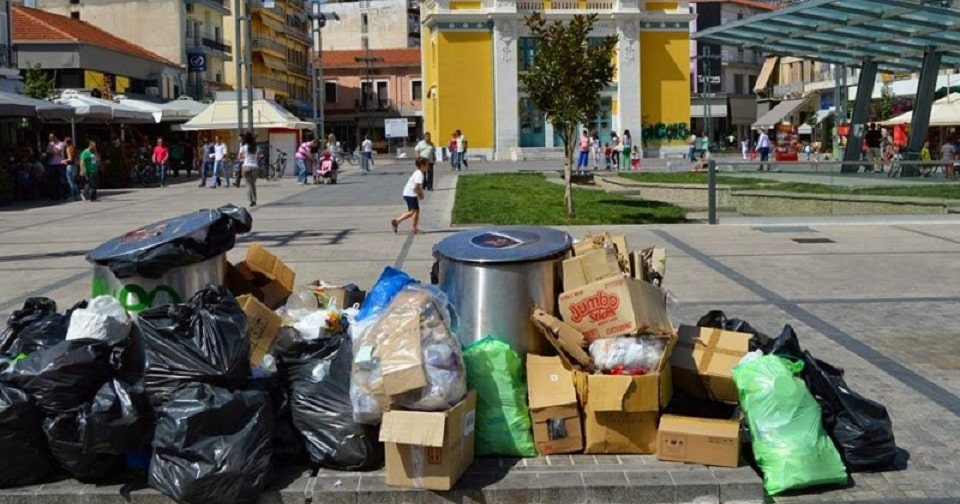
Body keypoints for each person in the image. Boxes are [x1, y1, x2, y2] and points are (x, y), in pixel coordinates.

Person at [391, 157, 428, 235]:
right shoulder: (419, 174)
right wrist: (420, 194)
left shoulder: (417, 172)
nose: (428, 167)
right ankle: (397, 221)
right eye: (427, 165)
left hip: (408, 193)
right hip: (410, 194)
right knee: (412, 212)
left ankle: (414, 228)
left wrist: (420, 192)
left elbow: (417, 187)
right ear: (422, 165)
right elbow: (416, 187)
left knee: (416, 211)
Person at [238, 133, 259, 206]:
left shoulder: (243, 147)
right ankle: (255, 199)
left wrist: (245, 157)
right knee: (253, 184)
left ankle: (250, 200)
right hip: (255, 167)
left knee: (248, 184)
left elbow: (239, 157)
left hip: (246, 166)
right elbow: (258, 156)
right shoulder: (256, 147)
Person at [46, 134, 65, 200]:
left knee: (61, 180)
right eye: (50, 137)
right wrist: (51, 152)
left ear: (55, 137)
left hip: (60, 163)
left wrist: (53, 146)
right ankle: (55, 195)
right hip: (52, 164)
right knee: (54, 181)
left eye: (51, 137)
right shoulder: (49, 144)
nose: (50, 138)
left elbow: (57, 152)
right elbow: (48, 153)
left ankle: (63, 194)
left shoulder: (61, 143)